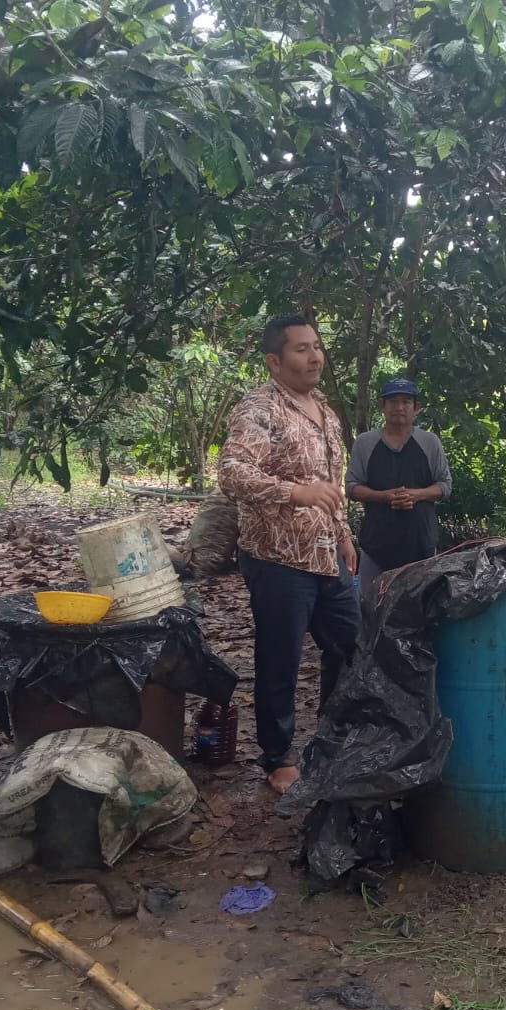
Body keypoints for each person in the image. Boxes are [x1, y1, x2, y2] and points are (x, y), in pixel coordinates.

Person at [217, 315, 360, 794]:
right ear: (274, 361)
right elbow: (232, 472)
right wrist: (294, 492)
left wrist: (343, 534)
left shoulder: (326, 412)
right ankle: (278, 756)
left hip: (327, 554)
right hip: (277, 558)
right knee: (281, 658)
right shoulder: (260, 409)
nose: (315, 356)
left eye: (317, 346)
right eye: (302, 349)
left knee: (351, 645)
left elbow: (332, 484)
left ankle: (335, 734)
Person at [345, 378, 453, 606]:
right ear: (382, 406)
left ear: (416, 408)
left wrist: (417, 495)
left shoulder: (429, 442)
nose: (399, 407)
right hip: (376, 543)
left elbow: (444, 485)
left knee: (421, 607)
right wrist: (384, 497)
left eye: (406, 402)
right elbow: (352, 487)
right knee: (370, 607)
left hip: (421, 543)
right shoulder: (365, 443)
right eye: (393, 401)